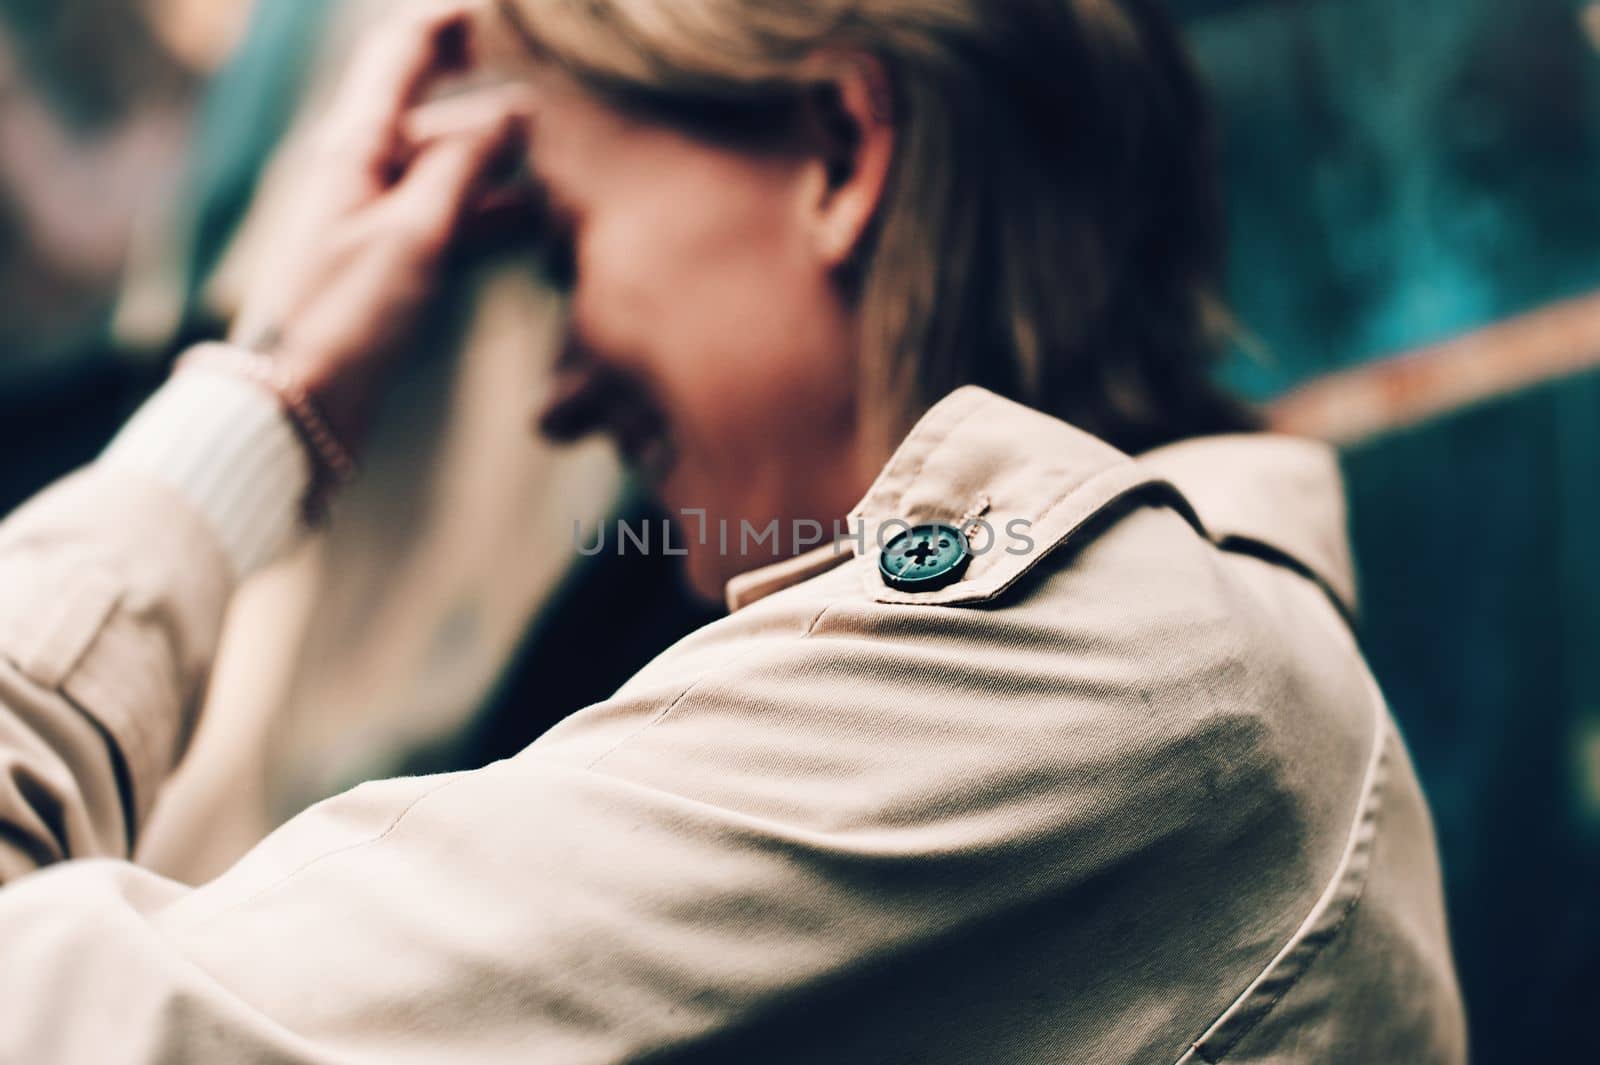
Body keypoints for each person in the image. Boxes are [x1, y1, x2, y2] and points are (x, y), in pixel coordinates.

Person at [0, 1, 1466, 1061]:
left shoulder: (1123, 683)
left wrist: (259, 414)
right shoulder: (1165, 692)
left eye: (561, 245)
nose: (564, 392)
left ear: (840, 149)